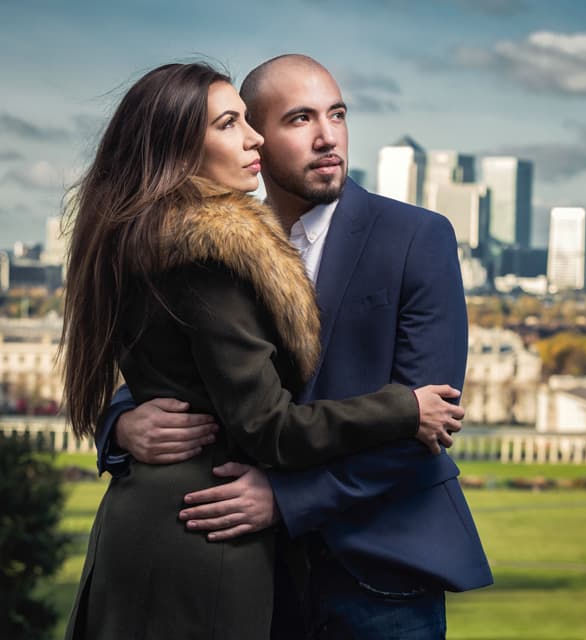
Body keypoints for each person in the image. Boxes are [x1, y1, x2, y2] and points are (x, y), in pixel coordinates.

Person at [60, 61, 466, 640]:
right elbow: (183, 366)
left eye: (337, 115)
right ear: (260, 135)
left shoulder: (416, 237)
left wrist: (286, 498)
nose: (327, 136)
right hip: (247, 566)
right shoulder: (208, 240)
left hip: (378, 571)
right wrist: (121, 422)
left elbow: (431, 419)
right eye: (299, 119)